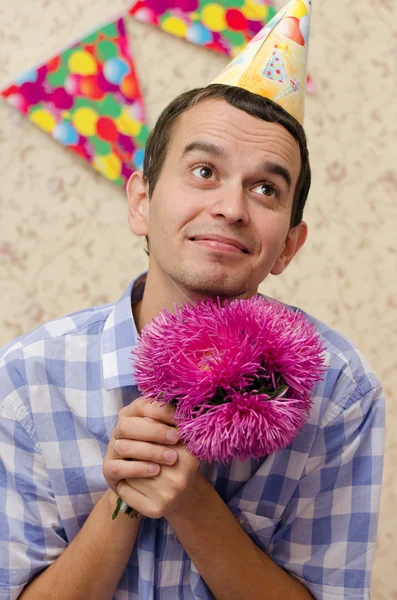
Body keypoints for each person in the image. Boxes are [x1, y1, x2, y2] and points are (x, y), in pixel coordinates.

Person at [0, 2, 384, 599]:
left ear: (289, 244)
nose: (232, 207)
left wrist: (194, 505)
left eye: (265, 187)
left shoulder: (337, 391)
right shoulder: (27, 380)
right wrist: (125, 495)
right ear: (140, 203)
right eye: (204, 170)